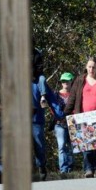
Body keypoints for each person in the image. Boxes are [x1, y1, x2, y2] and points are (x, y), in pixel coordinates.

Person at [31, 49, 52, 181]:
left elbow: (40, 67)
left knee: (39, 144)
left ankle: (42, 167)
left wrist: (61, 114)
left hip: (36, 119)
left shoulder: (36, 53)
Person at [51, 72, 76, 174]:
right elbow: (52, 108)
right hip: (59, 124)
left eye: (67, 81)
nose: (65, 83)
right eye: (63, 81)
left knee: (71, 147)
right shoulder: (56, 95)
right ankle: (63, 170)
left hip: (72, 123)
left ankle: (70, 168)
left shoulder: (74, 94)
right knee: (61, 146)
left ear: (71, 82)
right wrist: (59, 116)